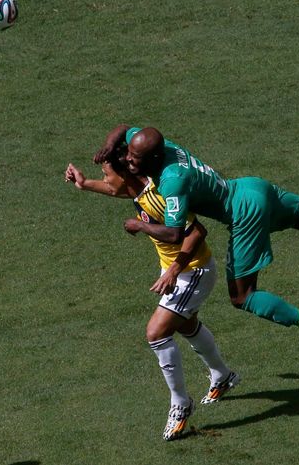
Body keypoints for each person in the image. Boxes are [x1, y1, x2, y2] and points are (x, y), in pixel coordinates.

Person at [94, 124, 299, 370]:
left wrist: (139, 225)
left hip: (244, 212)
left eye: (135, 159)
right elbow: (124, 128)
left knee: (242, 296)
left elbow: (175, 234)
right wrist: (110, 145)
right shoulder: (159, 146)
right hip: (251, 187)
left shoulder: (173, 181)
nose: (130, 161)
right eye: (129, 154)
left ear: (155, 159)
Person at [65, 154, 239, 442]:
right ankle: (223, 375)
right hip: (179, 270)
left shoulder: (157, 196)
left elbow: (197, 231)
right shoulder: (136, 188)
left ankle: (180, 403)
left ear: (126, 175)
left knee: (156, 332)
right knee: (184, 324)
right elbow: (114, 189)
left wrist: (170, 267)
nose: (107, 180)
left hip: (191, 270)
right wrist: (84, 184)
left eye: (108, 173)